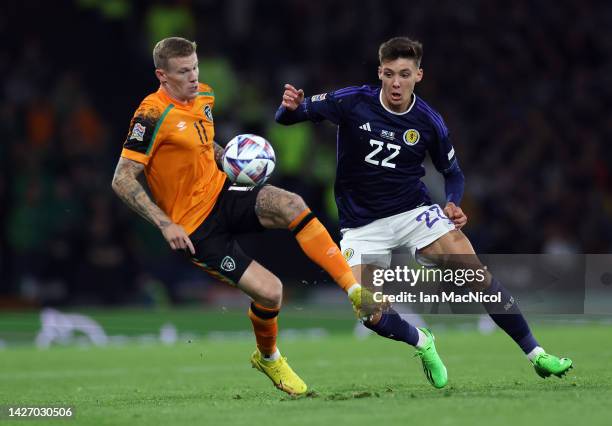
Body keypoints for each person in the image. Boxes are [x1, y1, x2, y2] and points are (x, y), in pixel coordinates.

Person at [275, 36, 572, 389]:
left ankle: (536, 354)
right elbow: (289, 117)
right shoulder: (352, 101)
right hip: (361, 225)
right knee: (369, 312)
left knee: (474, 272)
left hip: (413, 212)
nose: (396, 82)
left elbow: (453, 173)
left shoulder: (429, 122)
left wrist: (452, 202)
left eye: (404, 74)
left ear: (419, 75)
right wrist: (288, 106)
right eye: (389, 74)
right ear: (380, 73)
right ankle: (422, 341)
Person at [111, 37, 361, 396]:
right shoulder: (151, 114)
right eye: (184, 72)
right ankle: (269, 357)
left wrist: (228, 157)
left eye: (195, 67)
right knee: (272, 293)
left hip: (222, 193)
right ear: (162, 76)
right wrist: (165, 223)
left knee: (291, 203)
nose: (194, 77)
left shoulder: (205, 96)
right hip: (196, 229)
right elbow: (122, 177)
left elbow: (202, 144)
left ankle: (353, 289)